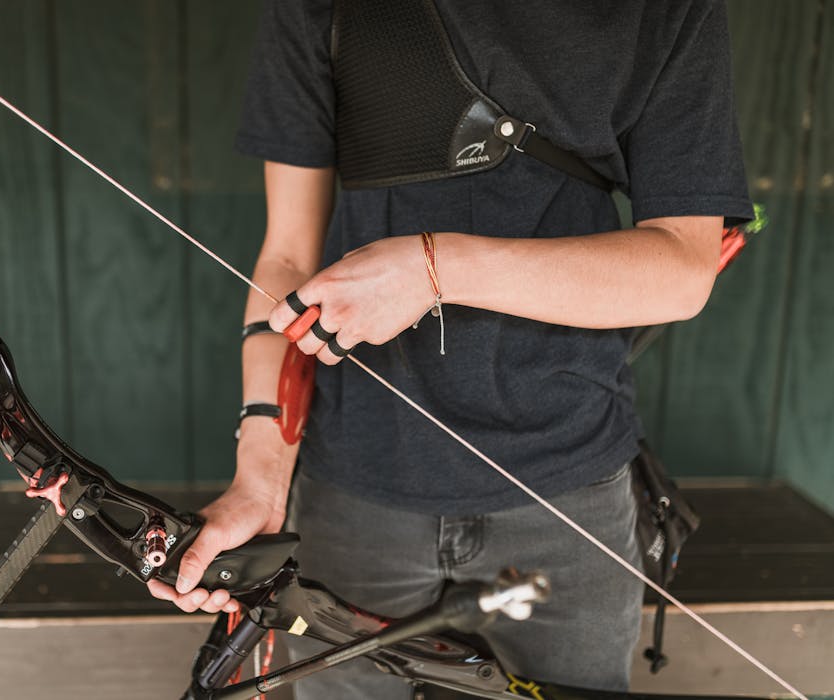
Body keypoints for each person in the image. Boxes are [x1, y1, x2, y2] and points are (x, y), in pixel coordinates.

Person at [148, 0, 754, 695]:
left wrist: (433, 269)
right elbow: (287, 259)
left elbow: (682, 271)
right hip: (356, 485)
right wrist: (260, 476)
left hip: (568, 487)